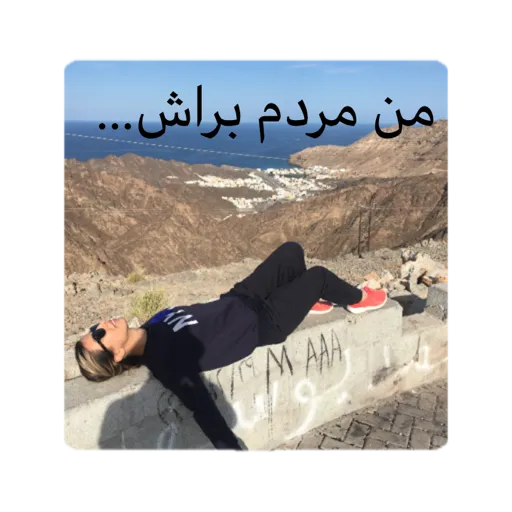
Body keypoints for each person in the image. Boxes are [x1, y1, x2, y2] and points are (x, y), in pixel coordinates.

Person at [75, 241, 387, 454]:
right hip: (265, 322)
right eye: (99, 334)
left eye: (94, 327)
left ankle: (306, 301)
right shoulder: (166, 361)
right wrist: (231, 450)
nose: (102, 324)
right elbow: (202, 407)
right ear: (117, 355)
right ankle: (360, 299)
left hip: (242, 296)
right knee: (318, 276)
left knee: (292, 252)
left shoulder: (152, 322)